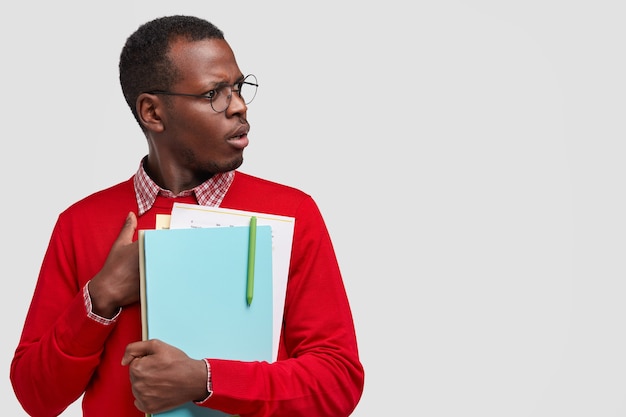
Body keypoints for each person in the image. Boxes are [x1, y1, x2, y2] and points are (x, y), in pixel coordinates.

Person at [10, 15, 364, 417]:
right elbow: (35, 397)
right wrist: (100, 297)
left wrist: (205, 380)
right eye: (214, 92)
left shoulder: (293, 212)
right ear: (153, 113)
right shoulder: (79, 223)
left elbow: (338, 383)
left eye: (238, 86)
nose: (238, 105)